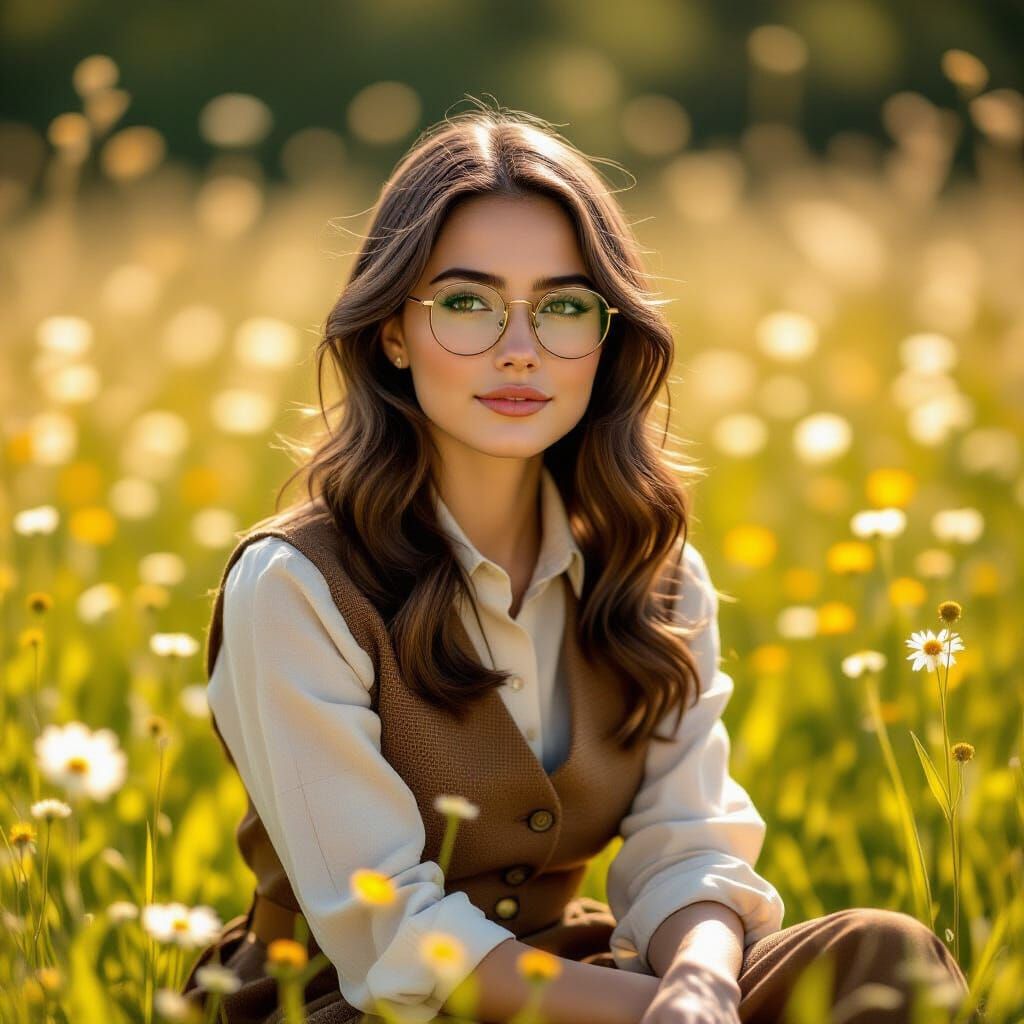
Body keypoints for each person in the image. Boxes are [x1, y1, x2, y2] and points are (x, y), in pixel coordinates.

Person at [181, 101, 974, 1024]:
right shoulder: (297, 586)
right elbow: (396, 938)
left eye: (562, 306)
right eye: (466, 303)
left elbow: (688, 847)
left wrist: (702, 984)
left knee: (882, 954)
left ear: (607, 337)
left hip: (585, 977)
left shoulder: (653, 571)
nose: (520, 351)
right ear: (392, 333)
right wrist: (649, 1009)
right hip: (356, 1003)